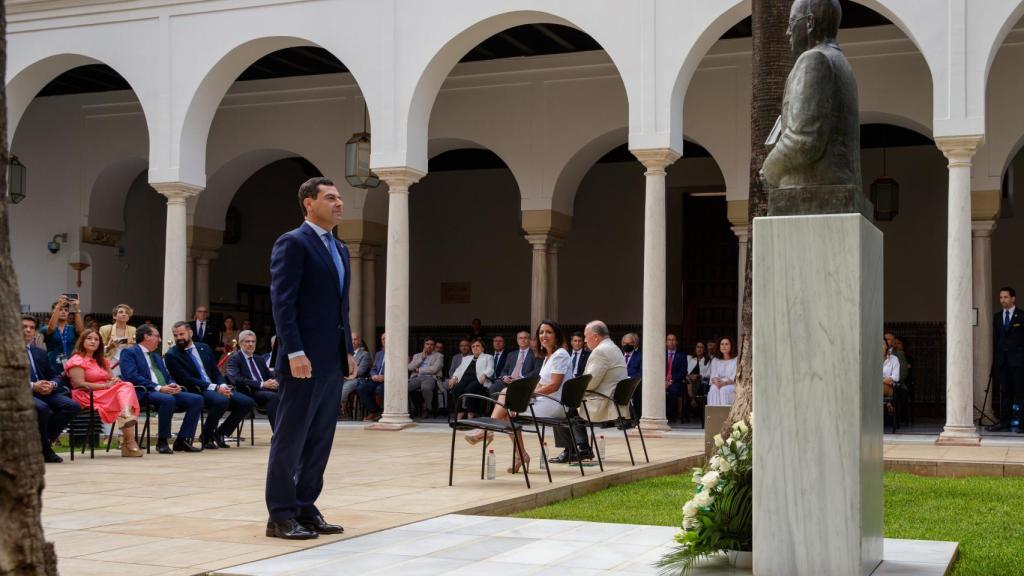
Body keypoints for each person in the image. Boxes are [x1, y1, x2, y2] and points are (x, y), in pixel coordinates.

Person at [266, 177, 355, 540]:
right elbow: (282, 302)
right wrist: (294, 351)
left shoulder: (341, 248)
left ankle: (305, 507)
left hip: (332, 358)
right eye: (330, 198)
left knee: (320, 437)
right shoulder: (292, 243)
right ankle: (280, 515)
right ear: (308, 203)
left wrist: (347, 348)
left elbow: (340, 306)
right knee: (290, 438)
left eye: (340, 198)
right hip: (301, 360)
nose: (339, 204)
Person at [467, 321, 570, 473]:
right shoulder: (549, 357)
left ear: (557, 335)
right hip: (544, 401)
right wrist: (524, 398)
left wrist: (525, 398)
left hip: (554, 404)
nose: (544, 335)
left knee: (505, 402)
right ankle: (520, 454)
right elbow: (540, 385)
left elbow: (554, 385)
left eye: (548, 332)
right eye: (541, 332)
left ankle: (489, 430)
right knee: (505, 405)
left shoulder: (560, 354)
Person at [164, 321, 256, 450]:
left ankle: (220, 433)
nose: (178, 338)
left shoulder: (204, 347)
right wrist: (216, 388)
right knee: (221, 401)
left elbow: (215, 371)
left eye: (181, 334)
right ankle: (207, 436)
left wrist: (222, 384)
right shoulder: (172, 355)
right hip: (196, 389)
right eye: (176, 335)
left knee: (247, 402)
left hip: (216, 386)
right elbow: (186, 379)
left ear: (190, 333)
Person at [119, 323, 204, 453]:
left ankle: (182, 440)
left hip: (163, 390)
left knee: (197, 399)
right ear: (147, 336)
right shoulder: (130, 352)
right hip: (143, 391)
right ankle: (162, 441)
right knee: (167, 400)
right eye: (157, 336)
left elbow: (166, 375)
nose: (159, 340)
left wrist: (172, 384)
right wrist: (159, 387)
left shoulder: (156, 356)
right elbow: (131, 376)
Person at [552, 320, 626, 464]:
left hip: (602, 402)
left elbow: (590, 383)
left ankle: (574, 450)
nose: (585, 341)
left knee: (560, 407)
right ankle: (581, 448)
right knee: (569, 404)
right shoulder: (614, 347)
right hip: (611, 399)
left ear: (596, 337)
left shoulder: (600, 351)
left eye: (586, 337)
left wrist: (570, 390)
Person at [64, 329, 144, 457]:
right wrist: (106, 386)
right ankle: (129, 442)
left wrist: (114, 381)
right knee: (125, 390)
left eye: (96, 340)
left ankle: (126, 420)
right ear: (82, 341)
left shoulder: (102, 361)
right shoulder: (77, 360)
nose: (93, 341)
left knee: (125, 386)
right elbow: (80, 384)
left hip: (104, 394)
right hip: (86, 395)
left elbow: (112, 379)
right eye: (89, 338)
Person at [24, 316, 81, 463]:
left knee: (71, 406)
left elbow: (55, 375)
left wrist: (52, 384)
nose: (28, 330)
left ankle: (42, 444)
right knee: (43, 408)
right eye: (24, 327)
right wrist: (32, 385)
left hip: (44, 391)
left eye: (31, 327)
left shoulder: (40, 352)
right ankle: (45, 449)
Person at [227, 329, 282, 431]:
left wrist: (276, 381)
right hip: (248, 391)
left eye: (253, 341)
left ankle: (286, 432)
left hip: (264, 391)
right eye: (247, 341)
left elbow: (269, 375)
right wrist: (262, 384)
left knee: (287, 393)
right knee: (273, 397)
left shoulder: (259, 358)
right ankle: (278, 434)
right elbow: (236, 379)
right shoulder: (235, 358)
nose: (251, 344)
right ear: (240, 343)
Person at [988, 287, 1024, 432]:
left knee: (1020, 393)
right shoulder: (997, 317)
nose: (1003, 300)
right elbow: (997, 340)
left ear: (1013, 298)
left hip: (1019, 362)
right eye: (1001, 297)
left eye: (1006, 297)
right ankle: (1004, 422)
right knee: (1005, 392)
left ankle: (1022, 423)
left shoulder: (1021, 316)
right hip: (1003, 362)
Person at [448, 338, 494, 418]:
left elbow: (490, 368)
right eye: (473, 346)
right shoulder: (467, 358)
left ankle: (470, 413)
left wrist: (485, 374)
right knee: (456, 388)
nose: (475, 348)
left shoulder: (488, 357)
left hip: (478, 379)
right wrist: (454, 378)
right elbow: (459, 369)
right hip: (465, 379)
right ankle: (460, 412)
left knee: (469, 389)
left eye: (477, 346)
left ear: (482, 348)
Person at [42, 295, 84, 375]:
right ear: (52, 312)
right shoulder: (45, 328)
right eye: (60, 309)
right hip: (52, 364)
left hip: (70, 363)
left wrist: (76, 308)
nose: (63, 312)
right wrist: (58, 306)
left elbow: (80, 331)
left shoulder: (72, 328)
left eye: (66, 310)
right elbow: (51, 329)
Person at [408, 337, 443, 418]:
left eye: (431, 344)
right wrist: (421, 358)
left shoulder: (439, 356)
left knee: (426, 388)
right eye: (427, 344)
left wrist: (419, 370)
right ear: (424, 345)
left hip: (430, 377)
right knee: (405, 388)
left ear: (434, 346)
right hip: (416, 377)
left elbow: (434, 369)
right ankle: (413, 408)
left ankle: (427, 408)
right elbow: (410, 367)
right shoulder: (417, 355)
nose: (429, 346)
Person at [340, 333, 371, 418]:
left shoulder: (365, 354)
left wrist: (346, 374)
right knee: (332, 386)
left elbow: (360, 371)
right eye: (351, 339)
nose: (353, 341)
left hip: (357, 379)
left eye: (355, 339)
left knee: (344, 389)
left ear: (359, 341)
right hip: (343, 378)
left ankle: (342, 412)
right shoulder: (345, 354)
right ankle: (336, 410)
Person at [358, 334, 386, 421]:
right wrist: (373, 375)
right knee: (361, 388)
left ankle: (383, 413)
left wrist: (386, 377)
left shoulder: (397, 354)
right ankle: (374, 411)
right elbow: (373, 368)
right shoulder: (379, 354)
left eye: (387, 339)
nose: (385, 340)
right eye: (383, 339)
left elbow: (398, 370)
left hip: (389, 381)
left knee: (379, 390)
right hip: (376, 379)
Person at [707, 336, 738, 406]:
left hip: (731, 384)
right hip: (718, 384)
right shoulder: (715, 360)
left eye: (727, 344)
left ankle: (727, 415)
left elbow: (734, 378)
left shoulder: (736, 359)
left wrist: (724, 383)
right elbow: (713, 376)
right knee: (713, 390)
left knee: (723, 390)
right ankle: (715, 415)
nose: (724, 346)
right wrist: (717, 382)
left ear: (731, 346)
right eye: (722, 344)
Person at [665, 333, 687, 423]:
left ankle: (670, 415)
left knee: (673, 391)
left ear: (676, 342)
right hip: (661, 382)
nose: (671, 342)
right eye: (669, 340)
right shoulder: (660, 354)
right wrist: (663, 382)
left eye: (673, 340)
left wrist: (671, 381)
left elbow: (683, 372)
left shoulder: (682, 355)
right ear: (666, 342)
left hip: (675, 382)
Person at [685, 341, 711, 412]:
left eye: (701, 347)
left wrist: (699, 375)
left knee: (693, 382)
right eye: (698, 347)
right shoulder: (690, 358)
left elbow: (709, 374)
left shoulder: (707, 360)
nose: (699, 349)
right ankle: (693, 400)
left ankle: (693, 400)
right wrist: (689, 376)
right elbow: (685, 370)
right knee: (688, 380)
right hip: (689, 378)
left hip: (700, 380)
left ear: (704, 349)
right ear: (695, 349)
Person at [622, 332, 642, 416]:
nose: (627, 345)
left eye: (630, 343)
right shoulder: (618, 355)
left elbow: (641, 372)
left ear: (634, 344)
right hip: (619, 382)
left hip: (633, 382)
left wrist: (629, 378)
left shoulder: (640, 356)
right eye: (625, 343)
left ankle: (633, 417)